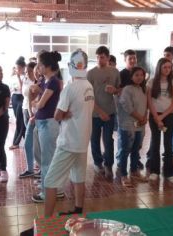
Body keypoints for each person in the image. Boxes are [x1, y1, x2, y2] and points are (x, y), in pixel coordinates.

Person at [44, 49, 94, 217]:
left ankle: (46, 221)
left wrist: (64, 114)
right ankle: (78, 212)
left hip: (68, 141)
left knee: (50, 181)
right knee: (78, 177)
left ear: (70, 66)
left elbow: (57, 115)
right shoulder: (89, 87)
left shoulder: (70, 88)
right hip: (82, 140)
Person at [31, 51, 63, 203]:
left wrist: (35, 104)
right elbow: (35, 100)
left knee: (47, 160)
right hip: (41, 122)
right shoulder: (45, 81)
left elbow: (41, 104)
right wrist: (35, 102)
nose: (38, 67)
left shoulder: (53, 82)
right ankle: (51, 187)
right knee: (42, 157)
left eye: (41, 65)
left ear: (48, 66)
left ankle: (47, 192)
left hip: (49, 124)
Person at [87, 46, 120, 179]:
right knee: (94, 139)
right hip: (95, 113)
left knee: (108, 140)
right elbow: (88, 97)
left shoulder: (115, 72)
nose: (99, 59)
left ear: (107, 57)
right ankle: (97, 162)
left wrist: (115, 90)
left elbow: (119, 90)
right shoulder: (90, 73)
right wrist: (99, 111)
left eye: (102, 57)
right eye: (97, 57)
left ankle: (108, 164)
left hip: (110, 112)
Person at [147, 58, 173, 183]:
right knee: (155, 143)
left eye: (169, 67)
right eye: (165, 67)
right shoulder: (151, 82)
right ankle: (154, 171)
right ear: (159, 67)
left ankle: (169, 173)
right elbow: (149, 101)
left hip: (169, 116)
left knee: (168, 144)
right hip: (154, 115)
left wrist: (162, 117)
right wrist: (156, 117)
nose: (167, 70)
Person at [116, 66, 147, 186]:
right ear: (131, 76)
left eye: (141, 75)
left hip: (140, 125)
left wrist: (144, 117)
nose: (139, 77)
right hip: (127, 125)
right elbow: (128, 107)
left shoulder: (142, 89)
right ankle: (123, 175)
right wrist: (141, 118)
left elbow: (145, 106)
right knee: (125, 150)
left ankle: (134, 172)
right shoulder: (127, 89)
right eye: (136, 75)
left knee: (136, 150)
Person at [19, 61, 38, 178]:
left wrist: (32, 114)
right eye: (27, 71)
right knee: (30, 140)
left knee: (33, 141)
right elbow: (25, 96)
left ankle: (35, 166)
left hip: (34, 114)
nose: (28, 73)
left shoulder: (38, 83)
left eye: (30, 71)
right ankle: (32, 166)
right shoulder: (26, 80)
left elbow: (35, 101)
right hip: (25, 109)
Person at [9, 56, 26, 149]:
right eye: (16, 67)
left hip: (21, 97)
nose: (17, 69)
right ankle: (26, 139)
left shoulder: (25, 76)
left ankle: (16, 142)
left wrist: (19, 77)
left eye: (19, 67)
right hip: (14, 97)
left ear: (23, 67)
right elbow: (11, 88)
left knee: (19, 120)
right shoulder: (13, 76)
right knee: (19, 119)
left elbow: (21, 88)